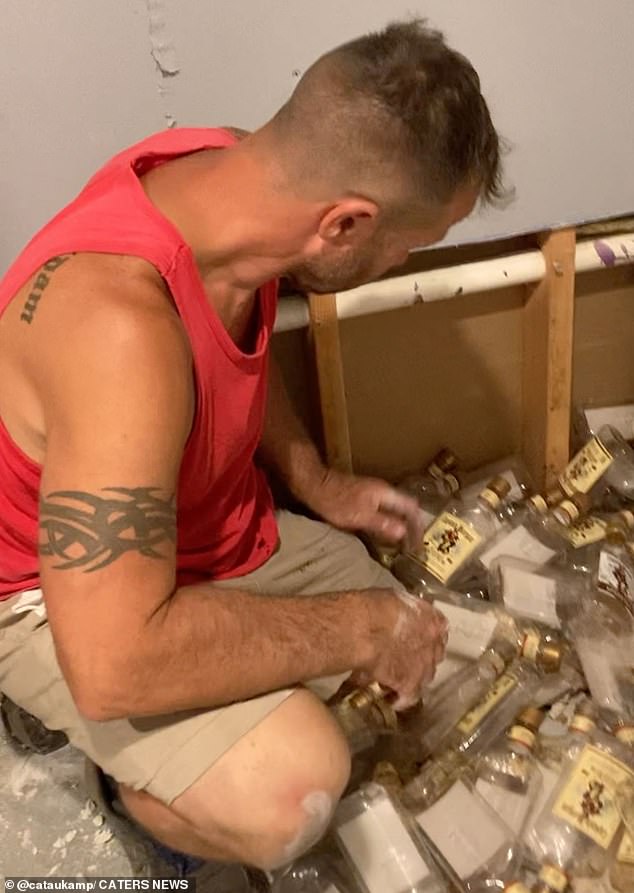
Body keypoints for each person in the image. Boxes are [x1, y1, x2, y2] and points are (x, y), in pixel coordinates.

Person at [0, 18, 505, 878]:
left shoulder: (239, 179)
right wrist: (355, 627)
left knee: (421, 647)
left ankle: (213, 710)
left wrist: (316, 480)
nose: (398, 261)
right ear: (345, 224)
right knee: (294, 785)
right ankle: (129, 786)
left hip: (205, 532)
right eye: (408, 244)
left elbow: (232, 342)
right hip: (61, 600)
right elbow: (115, 662)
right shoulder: (117, 333)